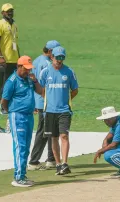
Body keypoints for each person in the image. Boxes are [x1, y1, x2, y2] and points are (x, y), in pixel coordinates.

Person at [1, 55, 43, 187]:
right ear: (19, 67)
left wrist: (35, 80)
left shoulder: (29, 79)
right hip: (17, 116)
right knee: (20, 147)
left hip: (29, 116)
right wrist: (10, 114)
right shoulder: (12, 81)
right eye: (26, 69)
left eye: (29, 69)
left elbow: (41, 91)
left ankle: (23, 175)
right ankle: (18, 177)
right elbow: (4, 101)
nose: (28, 71)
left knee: (25, 147)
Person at [39, 46, 78, 175]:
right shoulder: (45, 72)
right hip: (49, 111)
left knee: (64, 135)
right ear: (52, 57)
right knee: (54, 138)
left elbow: (75, 90)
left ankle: (65, 163)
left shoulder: (69, 72)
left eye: (62, 58)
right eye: (57, 58)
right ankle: (58, 164)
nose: (59, 60)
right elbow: (41, 89)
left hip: (64, 110)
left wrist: (66, 100)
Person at [28, 40, 60, 171]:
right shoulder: (47, 64)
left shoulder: (37, 60)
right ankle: (34, 161)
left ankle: (51, 159)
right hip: (45, 102)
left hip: (40, 101)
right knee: (43, 132)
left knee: (51, 130)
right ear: (51, 51)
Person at [0, 3, 19, 133]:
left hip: (14, 59)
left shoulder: (14, 25)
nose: (10, 13)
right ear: (2, 12)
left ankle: (4, 99)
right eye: (7, 11)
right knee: (4, 82)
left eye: (11, 11)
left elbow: (15, 43)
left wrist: (19, 57)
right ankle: (3, 103)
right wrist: (1, 56)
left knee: (12, 83)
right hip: (4, 60)